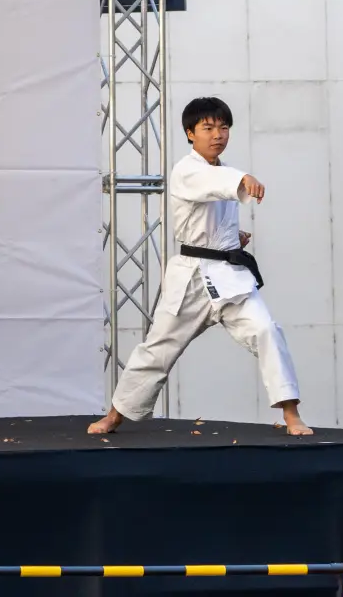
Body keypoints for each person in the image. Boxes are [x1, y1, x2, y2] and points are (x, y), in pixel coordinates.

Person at [88, 96, 311, 436]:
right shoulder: (187, 170)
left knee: (266, 330)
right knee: (158, 348)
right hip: (191, 279)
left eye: (223, 127)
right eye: (208, 128)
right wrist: (244, 178)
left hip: (230, 279)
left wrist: (233, 237)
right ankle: (115, 415)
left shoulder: (223, 171)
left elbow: (209, 215)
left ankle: (291, 414)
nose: (217, 134)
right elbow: (211, 186)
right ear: (190, 133)